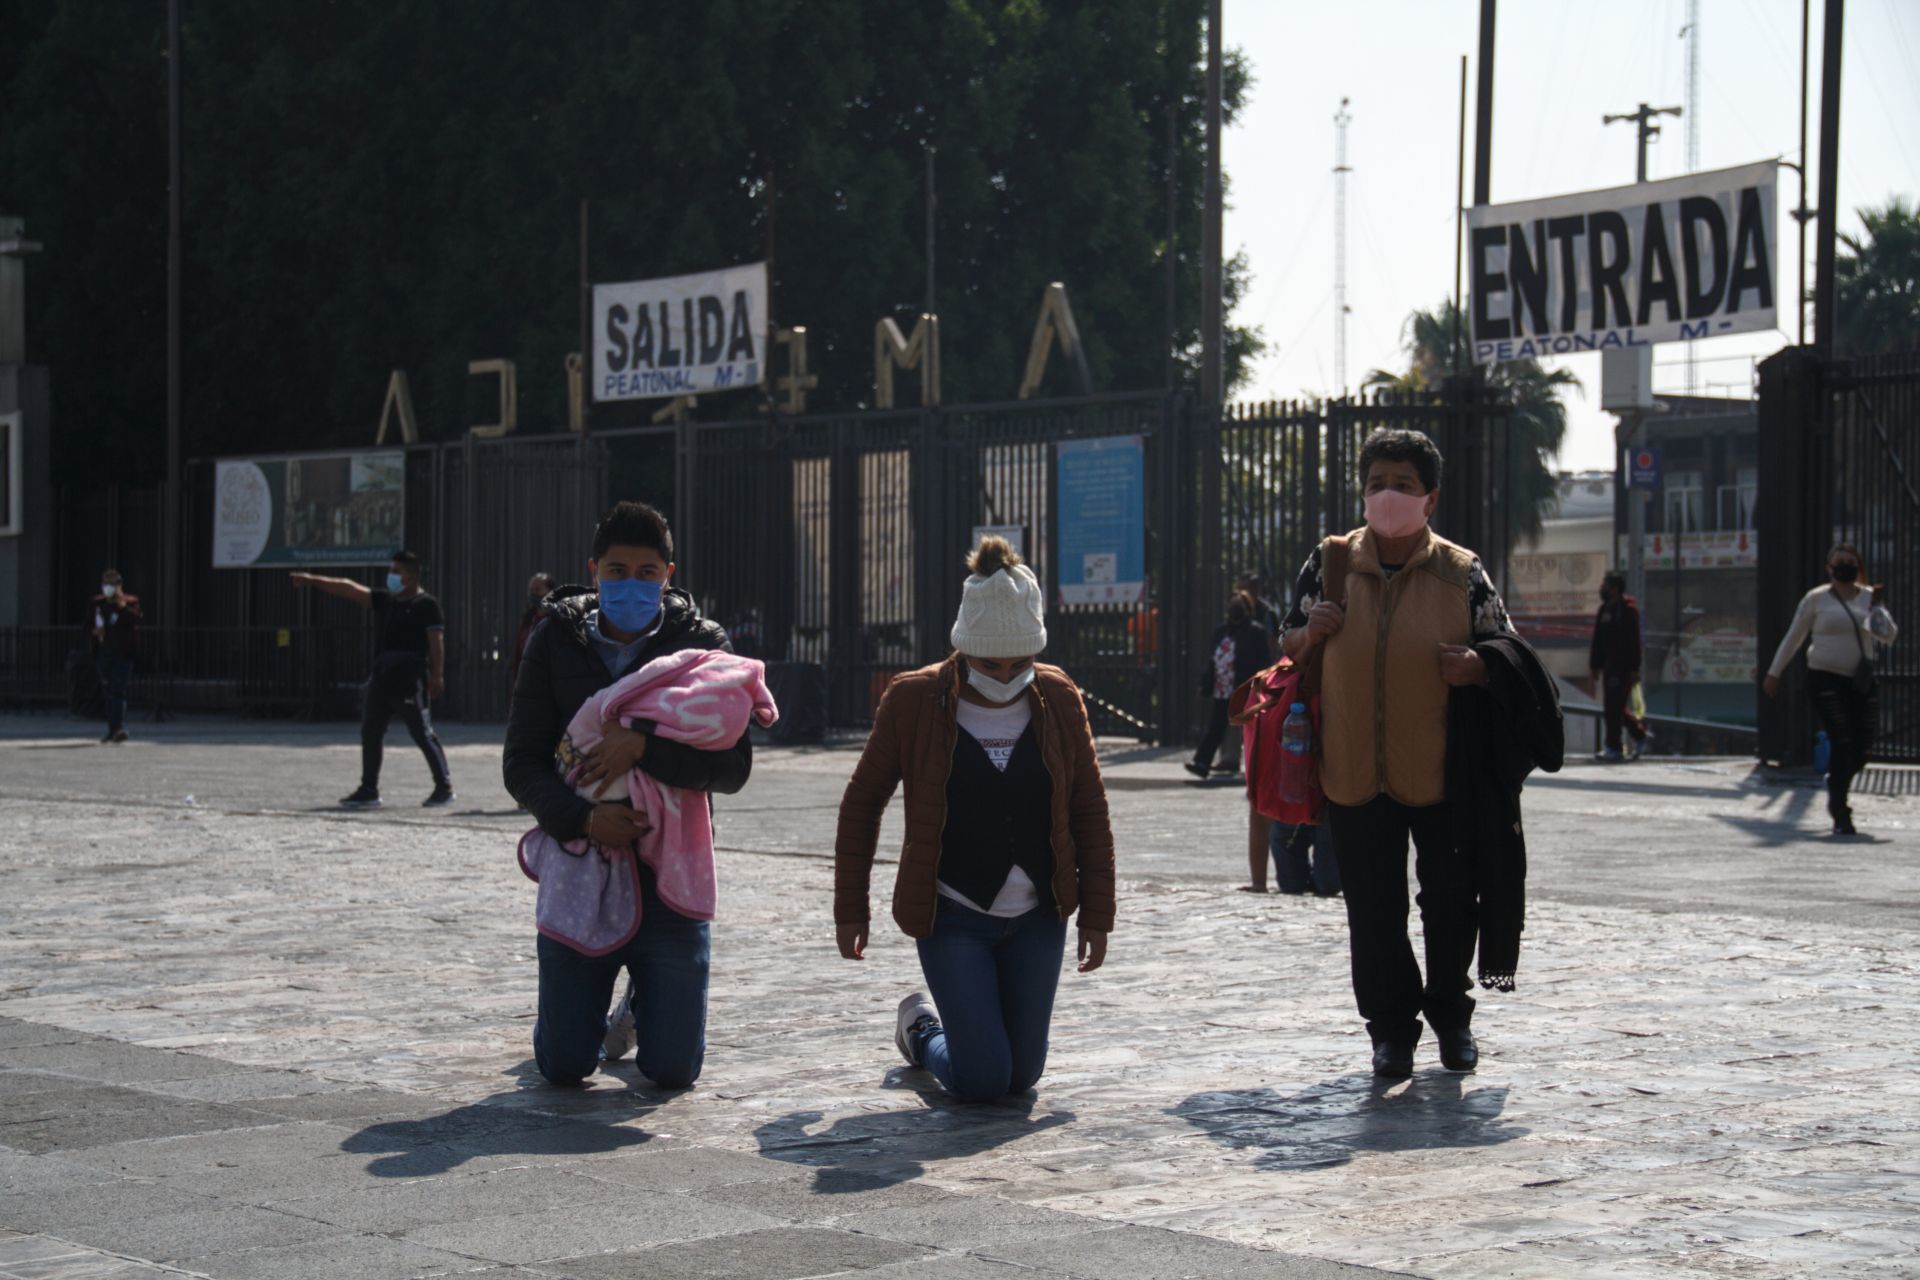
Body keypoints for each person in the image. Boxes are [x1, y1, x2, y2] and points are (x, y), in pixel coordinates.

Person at [834, 535, 1115, 1104]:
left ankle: (961, 1041)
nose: (1007, 675)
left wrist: (1098, 915)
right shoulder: (913, 700)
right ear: (963, 648)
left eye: (1021, 663)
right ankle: (922, 1031)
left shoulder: (1058, 697)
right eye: (991, 663)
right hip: (952, 915)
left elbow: (1088, 807)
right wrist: (850, 907)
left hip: (1038, 917)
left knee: (1022, 1076)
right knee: (984, 1079)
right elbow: (863, 803)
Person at [1280, 428, 1516, 1080]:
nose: (1388, 496)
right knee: (1373, 913)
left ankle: (1452, 1017)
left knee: (1448, 903)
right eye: (1377, 483)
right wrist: (1309, 632)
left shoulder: (1462, 573)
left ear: (1430, 498)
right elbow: (1287, 644)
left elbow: (1509, 653)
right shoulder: (1329, 562)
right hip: (1353, 769)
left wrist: (1477, 666)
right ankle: (1389, 1031)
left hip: (1443, 773)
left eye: (1403, 486)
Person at [504, 501, 750, 1088]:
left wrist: (641, 747)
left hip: (670, 873)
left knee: (671, 1072)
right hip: (581, 864)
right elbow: (521, 763)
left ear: (669, 574)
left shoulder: (701, 644)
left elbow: (733, 768)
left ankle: (646, 1002)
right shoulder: (555, 638)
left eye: (646, 572)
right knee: (564, 1066)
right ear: (594, 570)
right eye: (617, 570)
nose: (630, 584)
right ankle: (580, 1012)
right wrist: (585, 820)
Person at [292, 550, 454, 808]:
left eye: (396, 571)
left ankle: (443, 787)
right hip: (381, 678)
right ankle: (369, 789)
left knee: (422, 733)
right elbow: (349, 589)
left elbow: (436, 641)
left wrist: (437, 675)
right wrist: (312, 580)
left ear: (411, 577)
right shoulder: (387, 601)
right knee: (370, 732)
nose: (391, 576)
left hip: (410, 680)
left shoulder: (427, 605)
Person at [1763, 543, 1899, 836]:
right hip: (1824, 677)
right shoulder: (1816, 599)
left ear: (1858, 566)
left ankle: (1836, 780)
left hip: (1860, 680)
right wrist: (1774, 673)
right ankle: (1841, 811)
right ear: (1829, 568)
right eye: (1840, 562)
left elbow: (1889, 636)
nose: (1845, 566)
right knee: (1842, 740)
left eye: (1851, 562)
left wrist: (1878, 611)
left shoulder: (1868, 597)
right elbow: (1793, 638)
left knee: (1862, 748)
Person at [1185, 591, 1273, 780]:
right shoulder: (1221, 632)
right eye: (1232, 604)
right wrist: (1205, 684)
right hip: (1223, 689)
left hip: (1245, 688)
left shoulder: (1255, 631)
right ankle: (1202, 762)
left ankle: (1260, 767)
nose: (1234, 608)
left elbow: (1264, 660)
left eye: (1238, 604)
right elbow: (1213, 662)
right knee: (1216, 727)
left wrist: (1260, 682)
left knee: (1253, 728)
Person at [1589, 571, 1649, 762]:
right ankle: (1639, 736)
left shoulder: (1628, 610)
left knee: (1613, 707)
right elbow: (1597, 640)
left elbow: (1635, 642)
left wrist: (1634, 669)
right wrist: (1595, 665)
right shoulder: (1604, 610)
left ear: (1615, 588)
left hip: (1623, 667)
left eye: (1606, 584)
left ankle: (1614, 748)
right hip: (1608, 666)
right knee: (1614, 707)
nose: (1603, 588)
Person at [86, 568, 142, 744]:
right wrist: (94, 632)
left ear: (119, 585)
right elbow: (87, 625)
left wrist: (122, 606)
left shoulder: (130, 602)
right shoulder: (97, 603)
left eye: (112, 584)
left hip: (123, 654)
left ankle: (117, 728)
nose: (108, 587)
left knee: (118, 690)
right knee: (108, 690)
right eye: (105, 583)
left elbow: (136, 619)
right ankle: (112, 727)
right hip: (104, 653)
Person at [511, 572, 555, 690]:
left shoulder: (557, 621)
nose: (533, 594)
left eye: (537, 590)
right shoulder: (528, 621)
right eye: (531, 591)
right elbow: (518, 658)